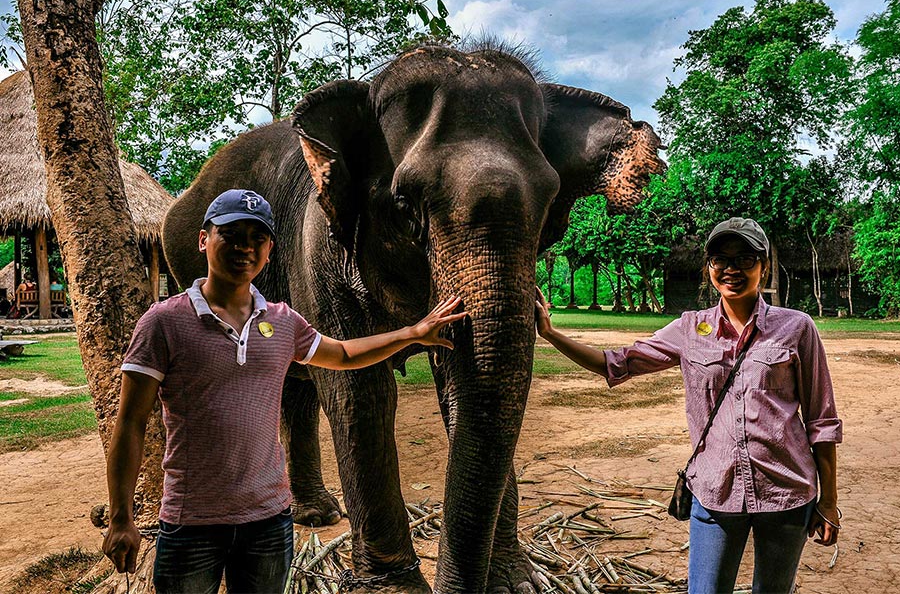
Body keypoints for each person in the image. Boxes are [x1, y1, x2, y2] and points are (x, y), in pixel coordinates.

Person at [102, 189, 467, 594]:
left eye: (257, 238)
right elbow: (131, 423)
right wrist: (121, 518)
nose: (245, 247)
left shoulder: (282, 321)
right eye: (232, 234)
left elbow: (343, 354)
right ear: (204, 239)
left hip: (269, 522)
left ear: (270, 250)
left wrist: (413, 333)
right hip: (192, 524)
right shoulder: (163, 322)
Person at [535, 217, 842, 594]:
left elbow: (821, 421)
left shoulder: (797, 328)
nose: (732, 269)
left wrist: (829, 501)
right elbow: (615, 362)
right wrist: (549, 333)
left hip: (786, 492)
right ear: (708, 267)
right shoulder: (688, 328)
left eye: (745, 259)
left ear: (764, 265)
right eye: (720, 259)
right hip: (715, 491)